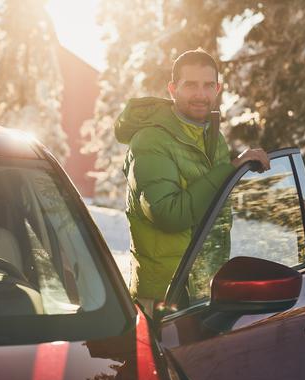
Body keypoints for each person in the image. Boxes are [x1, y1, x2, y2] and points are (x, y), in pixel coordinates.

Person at [116, 48, 270, 315]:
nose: (201, 94)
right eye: (191, 85)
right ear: (173, 88)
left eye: (208, 85)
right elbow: (169, 214)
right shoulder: (150, 140)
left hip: (203, 291)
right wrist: (229, 169)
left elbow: (211, 206)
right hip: (163, 298)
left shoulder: (213, 138)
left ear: (218, 88)